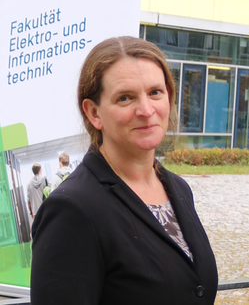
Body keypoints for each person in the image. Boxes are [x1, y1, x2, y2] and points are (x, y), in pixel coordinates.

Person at [31, 37, 218, 305]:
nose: (146, 110)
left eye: (155, 92)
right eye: (125, 97)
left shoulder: (177, 189)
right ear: (94, 112)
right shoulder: (72, 209)